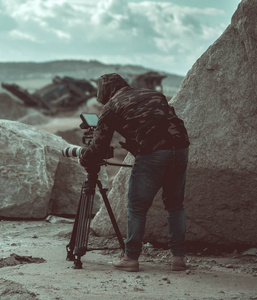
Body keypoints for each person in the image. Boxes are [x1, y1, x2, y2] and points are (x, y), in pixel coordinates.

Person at [79, 73, 190, 272]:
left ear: (106, 90)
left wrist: (83, 157)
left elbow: (98, 148)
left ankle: (130, 258)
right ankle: (178, 259)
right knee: (175, 206)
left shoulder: (111, 106)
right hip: (180, 148)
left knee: (137, 207)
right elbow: (157, 122)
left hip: (154, 152)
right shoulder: (152, 94)